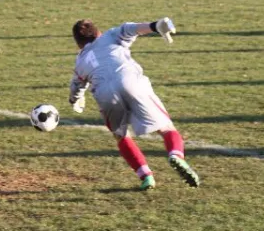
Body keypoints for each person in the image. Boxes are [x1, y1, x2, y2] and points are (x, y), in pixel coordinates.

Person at [68, 17, 201, 191]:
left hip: (104, 93)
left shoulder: (80, 61)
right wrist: (155, 26)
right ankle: (176, 155)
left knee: (121, 136)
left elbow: (76, 85)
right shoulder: (110, 36)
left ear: (78, 44)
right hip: (129, 80)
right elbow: (131, 29)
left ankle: (146, 177)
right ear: (98, 32)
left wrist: (76, 99)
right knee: (167, 128)